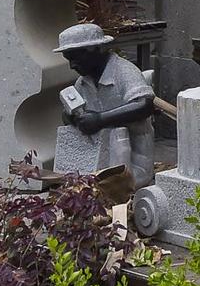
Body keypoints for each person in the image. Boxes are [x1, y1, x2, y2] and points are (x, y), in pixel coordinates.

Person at [53, 22, 156, 189]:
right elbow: (72, 114)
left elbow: (144, 106)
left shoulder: (124, 71)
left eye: (76, 58)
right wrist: (72, 117)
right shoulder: (83, 82)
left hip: (131, 159)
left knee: (112, 186)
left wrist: (100, 119)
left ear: (97, 50)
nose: (72, 65)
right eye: (68, 59)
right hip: (98, 157)